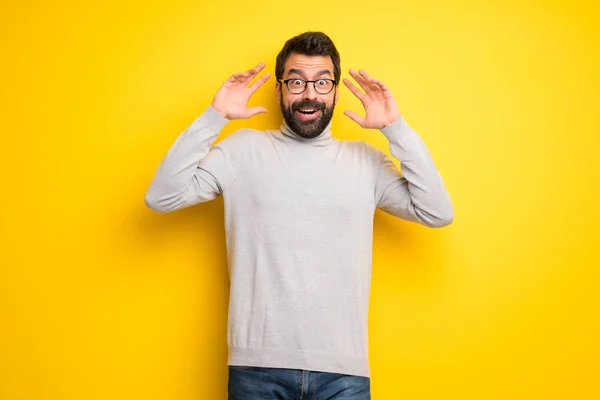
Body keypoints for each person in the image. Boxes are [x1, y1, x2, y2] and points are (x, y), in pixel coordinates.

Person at [145, 31, 453, 399]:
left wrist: (395, 129)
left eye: (322, 82)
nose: (309, 94)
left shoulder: (365, 162)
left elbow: (436, 211)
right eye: (296, 81)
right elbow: (161, 197)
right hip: (257, 370)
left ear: (335, 92)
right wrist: (214, 118)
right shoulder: (242, 150)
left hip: (344, 374)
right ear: (279, 91)